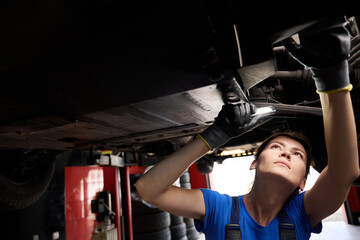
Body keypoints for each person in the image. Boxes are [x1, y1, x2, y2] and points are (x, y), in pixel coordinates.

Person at [135, 16, 360, 239]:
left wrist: (330, 75)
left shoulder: (303, 212)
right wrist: (211, 138)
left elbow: (343, 173)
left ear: (303, 181)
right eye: (276, 147)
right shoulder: (218, 208)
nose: (285, 153)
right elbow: (148, 189)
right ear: (254, 163)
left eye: (297, 154)